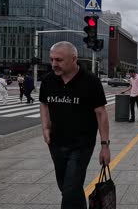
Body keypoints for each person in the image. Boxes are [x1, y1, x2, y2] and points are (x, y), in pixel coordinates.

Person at [39, 41, 110, 209]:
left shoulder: (91, 81)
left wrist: (105, 145)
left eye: (59, 60)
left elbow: (101, 113)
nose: (54, 64)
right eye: (52, 59)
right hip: (56, 143)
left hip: (81, 144)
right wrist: (45, 127)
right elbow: (44, 103)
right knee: (66, 186)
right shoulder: (48, 81)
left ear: (74, 59)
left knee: (70, 188)